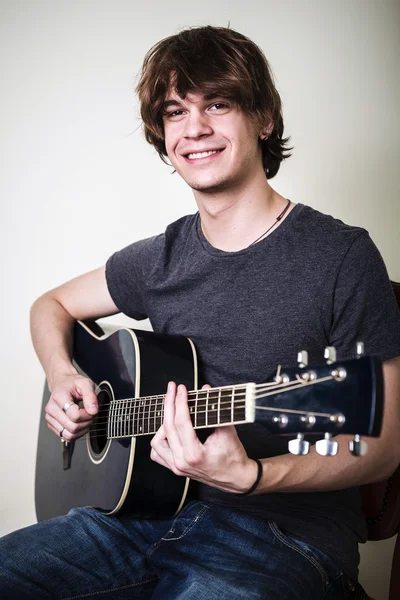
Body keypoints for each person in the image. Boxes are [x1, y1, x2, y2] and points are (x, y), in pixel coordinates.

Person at [1, 25, 400, 600]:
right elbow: (51, 304)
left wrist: (253, 475)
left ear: (263, 118)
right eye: (174, 112)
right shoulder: (161, 258)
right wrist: (66, 377)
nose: (195, 129)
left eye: (217, 103)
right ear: (163, 139)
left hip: (282, 536)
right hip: (134, 517)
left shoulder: (342, 257)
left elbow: (384, 445)